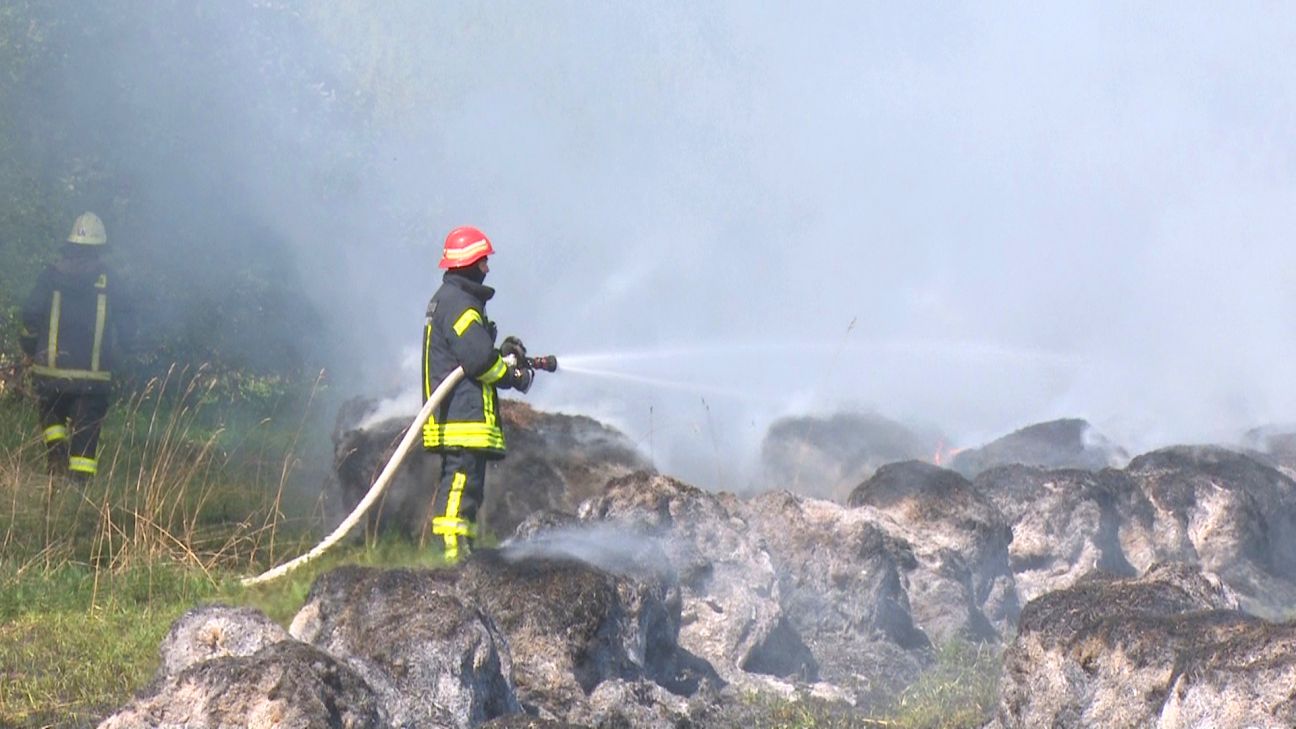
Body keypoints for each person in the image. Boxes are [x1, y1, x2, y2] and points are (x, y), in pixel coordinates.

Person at [421, 225, 533, 562]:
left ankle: (461, 554)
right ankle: (452, 559)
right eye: (483, 261)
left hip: (459, 414)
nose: (487, 268)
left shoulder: (452, 300)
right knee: (460, 488)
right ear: (469, 264)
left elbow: (474, 351)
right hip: (462, 417)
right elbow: (479, 360)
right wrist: (511, 375)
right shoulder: (460, 305)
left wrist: (502, 353)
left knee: (466, 490)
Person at [19, 212, 123, 481]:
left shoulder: (50, 275)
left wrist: (30, 349)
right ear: (100, 248)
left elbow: (30, 315)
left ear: (70, 245)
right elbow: (127, 321)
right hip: (94, 378)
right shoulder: (111, 280)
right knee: (86, 434)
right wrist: (122, 354)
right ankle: (79, 489)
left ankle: (56, 456)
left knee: (51, 417)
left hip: (51, 372)